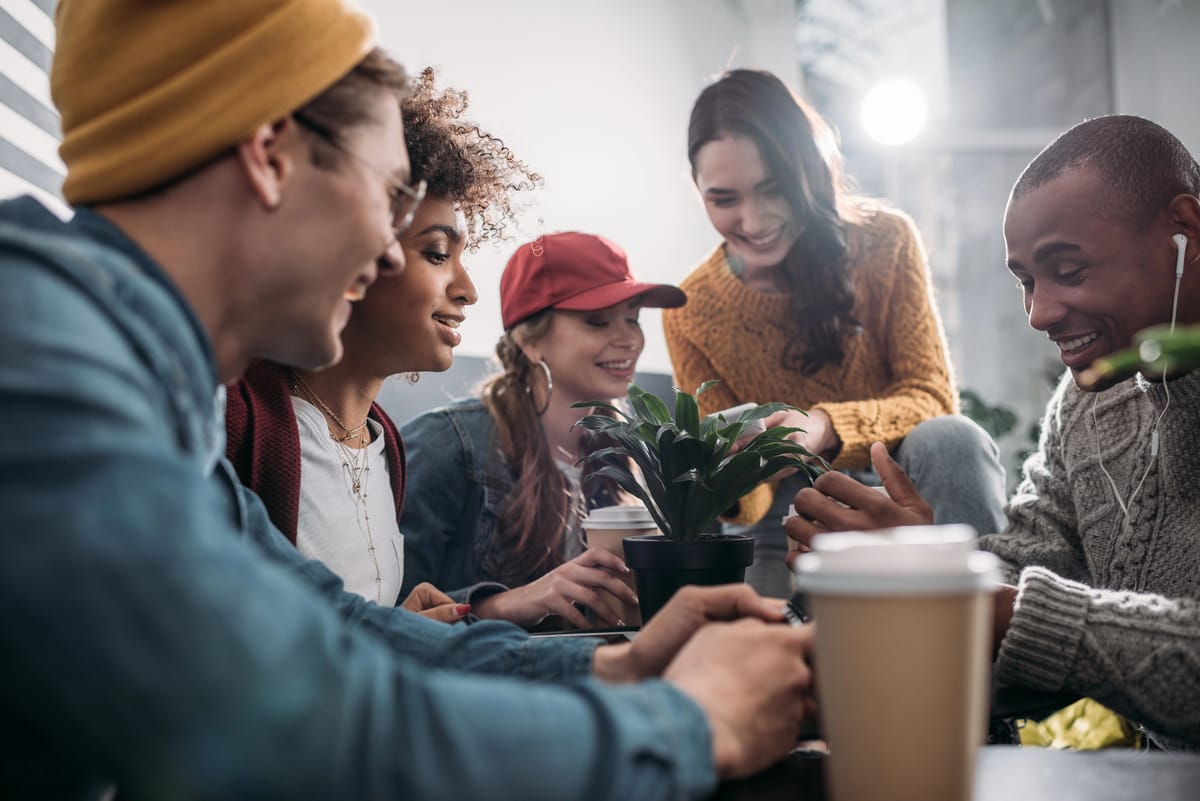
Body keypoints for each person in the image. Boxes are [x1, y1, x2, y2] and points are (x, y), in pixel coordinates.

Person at [0, 3, 816, 799]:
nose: (386, 250)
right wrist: (689, 723)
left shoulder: (143, 390)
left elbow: (333, 629)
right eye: (391, 195)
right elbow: (286, 729)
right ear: (270, 154)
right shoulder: (33, 351)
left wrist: (611, 663)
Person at [788, 114, 1200, 750]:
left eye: (1069, 270)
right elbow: (1032, 569)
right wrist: (915, 569)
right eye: (1026, 283)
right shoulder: (1087, 407)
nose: (1039, 314)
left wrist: (976, 603)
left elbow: (1023, 619)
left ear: (1185, 230)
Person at [663, 68, 1007, 596]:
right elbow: (746, 506)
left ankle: (994, 634)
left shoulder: (885, 242)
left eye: (772, 189)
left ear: (809, 172)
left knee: (954, 437)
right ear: (697, 189)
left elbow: (932, 399)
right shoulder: (689, 308)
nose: (752, 222)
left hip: (903, 490)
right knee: (768, 639)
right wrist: (728, 472)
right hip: (790, 509)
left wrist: (822, 427)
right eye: (724, 199)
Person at [225, 66, 538, 621]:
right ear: (358, 248)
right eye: (437, 253)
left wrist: (402, 624)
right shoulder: (242, 421)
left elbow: (343, 636)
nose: (466, 290)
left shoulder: (382, 441)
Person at [400, 232, 687, 629]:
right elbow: (390, 618)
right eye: (598, 321)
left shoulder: (625, 451)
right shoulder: (445, 445)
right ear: (530, 341)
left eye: (633, 318)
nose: (629, 339)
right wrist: (498, 605)